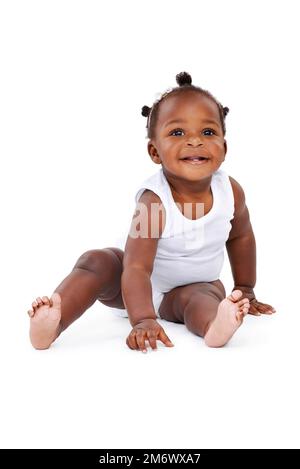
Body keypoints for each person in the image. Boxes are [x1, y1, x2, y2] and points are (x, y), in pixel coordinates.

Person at [27, 71, 276, 352]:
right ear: (155, 152)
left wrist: (246, 288)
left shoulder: (230, 192)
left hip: (193, 287)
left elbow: (241, 237)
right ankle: (53, 322)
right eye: (177, 132)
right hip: (133, 288)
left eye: (208, 132)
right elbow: (135, 266)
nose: (195, 141)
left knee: (203, 299)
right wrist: (143, 319)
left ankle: (214, 328)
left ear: (224, 147)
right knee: (96, 261)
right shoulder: (154, 202)